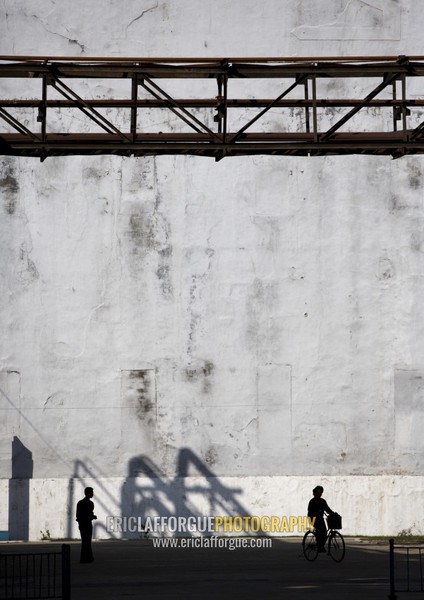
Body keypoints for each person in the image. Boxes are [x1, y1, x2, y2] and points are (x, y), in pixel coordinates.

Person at [307, 485, 334, 553]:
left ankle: (320, 546)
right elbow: (310, 511)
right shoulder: (312, 501)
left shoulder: (323, 501)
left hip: (320, 519)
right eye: (318, 492)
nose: (320, 494)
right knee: (319, 533)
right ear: (314, 493)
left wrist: (333, 514)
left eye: (321, 492)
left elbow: (327, 509)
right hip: (312, 519)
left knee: (324, 533)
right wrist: (316, 513)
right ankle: (319, 546)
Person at [76, 487, 97, 563]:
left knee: (85, 541)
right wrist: (93, 517)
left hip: (83, 525)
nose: (92, 494)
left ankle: (85, 558)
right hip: (87, 524)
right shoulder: (90, 504)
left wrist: (80, 524)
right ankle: (88, 558)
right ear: (88, 493)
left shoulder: (80, 503)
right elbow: (89, 515)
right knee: (87, 542)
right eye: (91, 492)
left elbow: (78, 516)